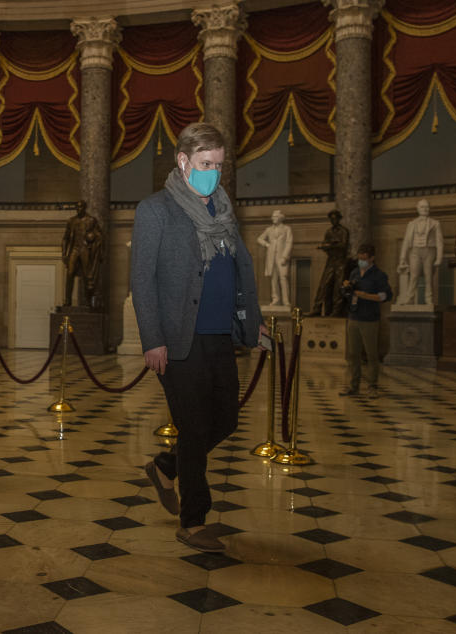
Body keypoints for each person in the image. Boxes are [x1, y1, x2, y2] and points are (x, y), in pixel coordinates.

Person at [130, 122, 264, 554]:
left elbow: (236, 273)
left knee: (225, 420)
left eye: (219, 166)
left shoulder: (223, 210)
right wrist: (152, 339)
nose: (214, 174)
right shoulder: (156, 210)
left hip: (220, 336)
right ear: (184, 161)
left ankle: (165, 466)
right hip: (178, 340)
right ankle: (193, 520)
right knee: (193, 426)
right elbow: (142, 279)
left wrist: (250, 322)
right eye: (206, 164)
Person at [339, 244, 392, 399]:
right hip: (353, 316)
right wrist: (346, 288)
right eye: (359, 258)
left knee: (371, 354)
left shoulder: (378, 275)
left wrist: (365, 295)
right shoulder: (355, 272)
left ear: (371, 258)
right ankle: (353, 386)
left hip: (369, 318)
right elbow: (349, 291)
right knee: (352, 354)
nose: (361, 261)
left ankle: (372, 386)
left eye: (364, 259)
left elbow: (386, 296)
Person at [397, 198, 443, 305]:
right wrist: (402, 258)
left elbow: (439, 241)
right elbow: (406, 241)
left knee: (428, 276)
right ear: (417, 209)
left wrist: (439, 257)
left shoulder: (435, 223)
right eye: (422, 207)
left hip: (429, 251)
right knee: (414, 275)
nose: (425, 209)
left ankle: (429, 299)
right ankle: (410, 298)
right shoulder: (411, 224)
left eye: (427, 207)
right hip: (415, 251)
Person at [308, 209, 350, 317]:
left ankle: (337, 310)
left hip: (340, 261)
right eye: (331, 219)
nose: (333, 221)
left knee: (338, 286)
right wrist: (326, 246)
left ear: (339, 219)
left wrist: (330, 245)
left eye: (335, 218)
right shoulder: (329, 232)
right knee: (324, 285)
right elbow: (326, 244)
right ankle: (316, 308)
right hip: (331, 260)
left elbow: (343, 245)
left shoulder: (343, 231)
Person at [62, 200, 103, 307]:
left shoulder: (91, 220)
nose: (79, 209)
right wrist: (64, 253)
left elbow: (100, 236)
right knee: (69, 274)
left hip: (85, 249)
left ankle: (88, 301)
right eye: (77, 207)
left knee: (87, 275)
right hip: (74, 249)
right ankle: (67, 300)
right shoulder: (71, 221)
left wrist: (93, 238)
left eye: (81, 207)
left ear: (84, 208)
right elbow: (65, 238)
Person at [256, 209, 293, 306]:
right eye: (273, 217)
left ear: (280, 218)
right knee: (274, 279)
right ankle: (275, 299)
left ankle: (286, 300)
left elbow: (289, 243)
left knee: (283, 278)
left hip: (281, 257)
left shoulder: (286, 229)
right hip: (271, 257)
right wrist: (267, 244)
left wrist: (285, 256)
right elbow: (259, 239)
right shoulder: (269, 229)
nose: (273, 218)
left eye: (276, 217)